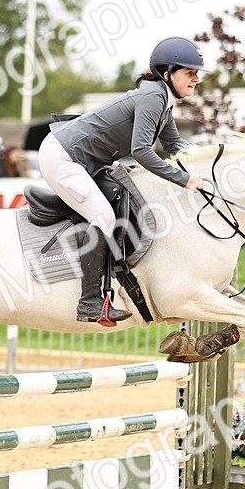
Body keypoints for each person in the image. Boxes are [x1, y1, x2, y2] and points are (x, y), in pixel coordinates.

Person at [38, 35, 207, 326]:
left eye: (196, 74)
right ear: (167, 74)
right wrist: (184, 179)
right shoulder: (153, 97)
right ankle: (89, 303)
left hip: (82, 159)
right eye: (189, 73)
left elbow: (176, 146)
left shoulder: (163, 101)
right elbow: (141, 150)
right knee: (103, 215)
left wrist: (209, 165)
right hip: (63, 157)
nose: (196, 79)